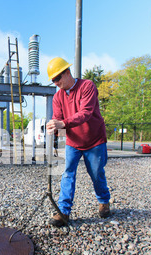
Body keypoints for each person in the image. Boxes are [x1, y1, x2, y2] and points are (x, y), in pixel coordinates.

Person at [46, 57, 110, 227]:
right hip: (73, 142)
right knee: (67, 173)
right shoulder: (58, 97)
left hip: (94, 139)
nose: (56, 83)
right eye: (53, 80)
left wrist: (63, 124)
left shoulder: (87, 86)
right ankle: (63, 212)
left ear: (67, 72)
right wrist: (55, 128)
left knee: (96, 173)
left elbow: (86, 112)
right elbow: (57, 118)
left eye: (57, 78)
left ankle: (104, 200)